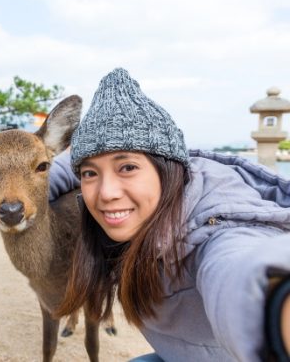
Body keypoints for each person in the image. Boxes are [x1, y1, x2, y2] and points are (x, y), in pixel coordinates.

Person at [49, 68, 290, 361]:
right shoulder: (155, 203)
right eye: (89, 173)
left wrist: (274, 303)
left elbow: (238, 267)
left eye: (127, 167)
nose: (106, 193)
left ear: (166, 169)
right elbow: (60, 168)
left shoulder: (219, 225)